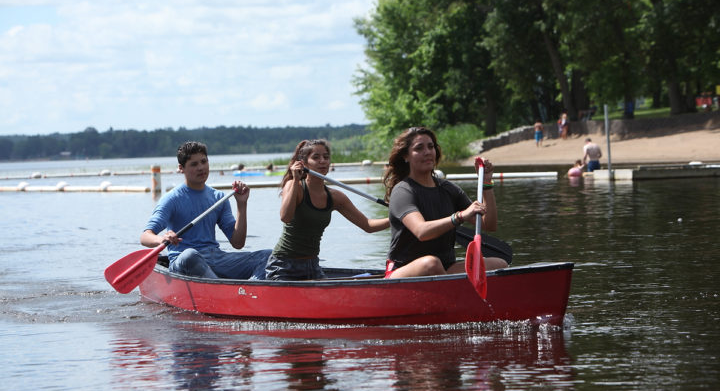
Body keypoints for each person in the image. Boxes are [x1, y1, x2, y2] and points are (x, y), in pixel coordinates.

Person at [382, 127, 508, 279]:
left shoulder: (448, 189)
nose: (427, 152)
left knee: (499, 264)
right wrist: (459, 216)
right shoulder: (403, 191)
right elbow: (422, 232)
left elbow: (489, 225)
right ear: (405, 156)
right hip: (403, 271)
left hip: (444, 268)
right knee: (431, 264)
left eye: (431, 146)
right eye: (419, 148)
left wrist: (487, 184)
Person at [141, 141, 271, 280]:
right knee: (189, 255)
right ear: (181, 168)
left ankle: (248, 292)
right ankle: (222, 290)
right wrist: (162, 239)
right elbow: (145, 236)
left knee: (268, 256)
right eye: (194, 164)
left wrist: (241, 205)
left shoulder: (219, 197)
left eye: (204, 161)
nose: (201, 167)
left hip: (216, 259)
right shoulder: (171, 199)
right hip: (185, 262)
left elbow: (238, 243)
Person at [265, 139, 389, 281]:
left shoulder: (336, 197)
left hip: (312, 265)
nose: (322, 161)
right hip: (284, 266)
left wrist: (397, 217)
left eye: (326, 157)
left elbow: (368, 225)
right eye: (316, 157)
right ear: (303, 163)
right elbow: (285, 217)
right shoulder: (295, 187)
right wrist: (294, 180)